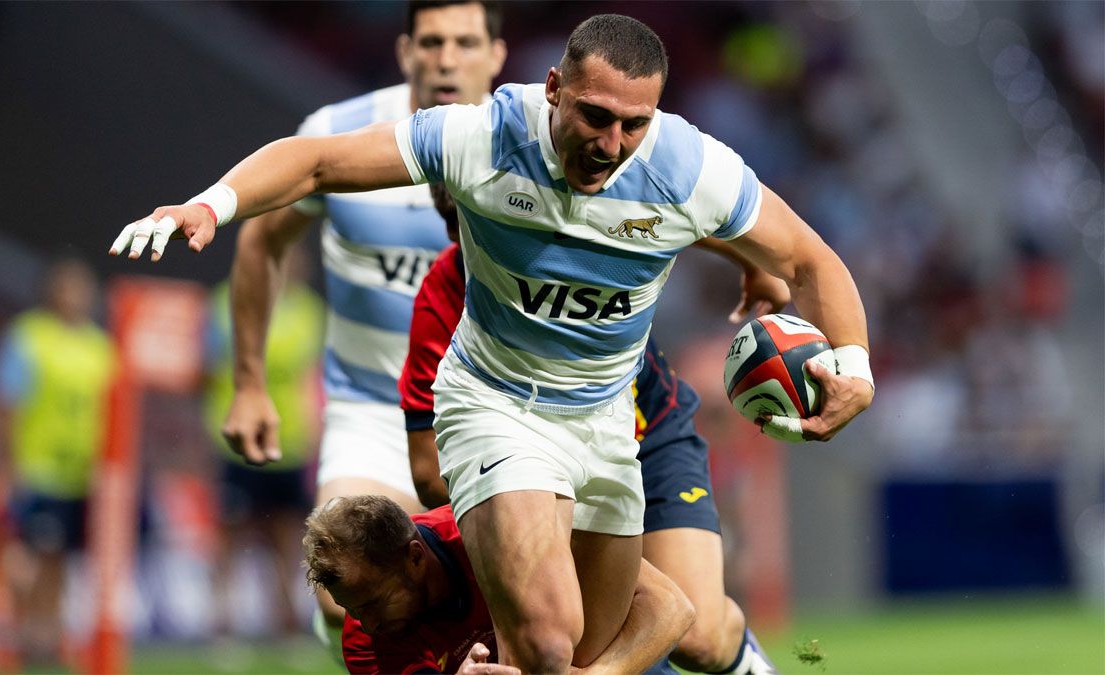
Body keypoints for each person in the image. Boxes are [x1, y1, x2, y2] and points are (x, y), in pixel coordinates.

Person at [110, 14, 875, 671]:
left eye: (633, 124)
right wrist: (211, 205)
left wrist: (855, 367)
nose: (611, 144)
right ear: (554, 88)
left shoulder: (692, 169)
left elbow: (809, 259)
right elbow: (316, 162)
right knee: (545, 640)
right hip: (499, 405)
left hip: (609, 418)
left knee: (600, 649)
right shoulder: (482, 137)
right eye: (594, 117)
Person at [203, 0, 507, 646]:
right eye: (431, 42)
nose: (446, 59)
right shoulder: (338, 133)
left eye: (464, 42)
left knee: (511, 605)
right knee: (347, 590)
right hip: (371, 408)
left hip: (490, 408)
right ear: (404, 52)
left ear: (496, 55)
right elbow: (261, 242)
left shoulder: (527, 145)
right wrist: (250, 382)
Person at [399, 183, 782, 673]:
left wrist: (751, 257)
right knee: (573, 638)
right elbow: (428, 470)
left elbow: (668, 210)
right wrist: (532, 508)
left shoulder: (571, 229)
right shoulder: (443, 297)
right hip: (529, 470)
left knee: (699, 637)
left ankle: (747, 662)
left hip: (650, 436)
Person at [302, 494, 694, 674]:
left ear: (416, 558)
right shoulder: (364, 640)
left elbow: (672, 606)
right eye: (353, 610)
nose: (367, 624)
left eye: (373, 603)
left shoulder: (501, 535)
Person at [0, 258, 116, 663]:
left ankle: (49, 636)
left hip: (81, 476)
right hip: (37, 470)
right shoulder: (27, 338)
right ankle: (24, 633)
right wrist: (6, 466)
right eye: (68, 287)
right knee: (29, 559)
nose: (76, 296)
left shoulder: (100, 347)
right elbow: (6, 405)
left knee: (59, 562)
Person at [200, 244, 325, 638]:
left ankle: (285, 616)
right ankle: (222, 618)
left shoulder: (310, 311)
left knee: (287, 534)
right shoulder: (226, 300)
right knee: (230, 531)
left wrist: (316, 428)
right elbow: (205, 368)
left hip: (289, 440)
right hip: (236, 438)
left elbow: (312, 376)